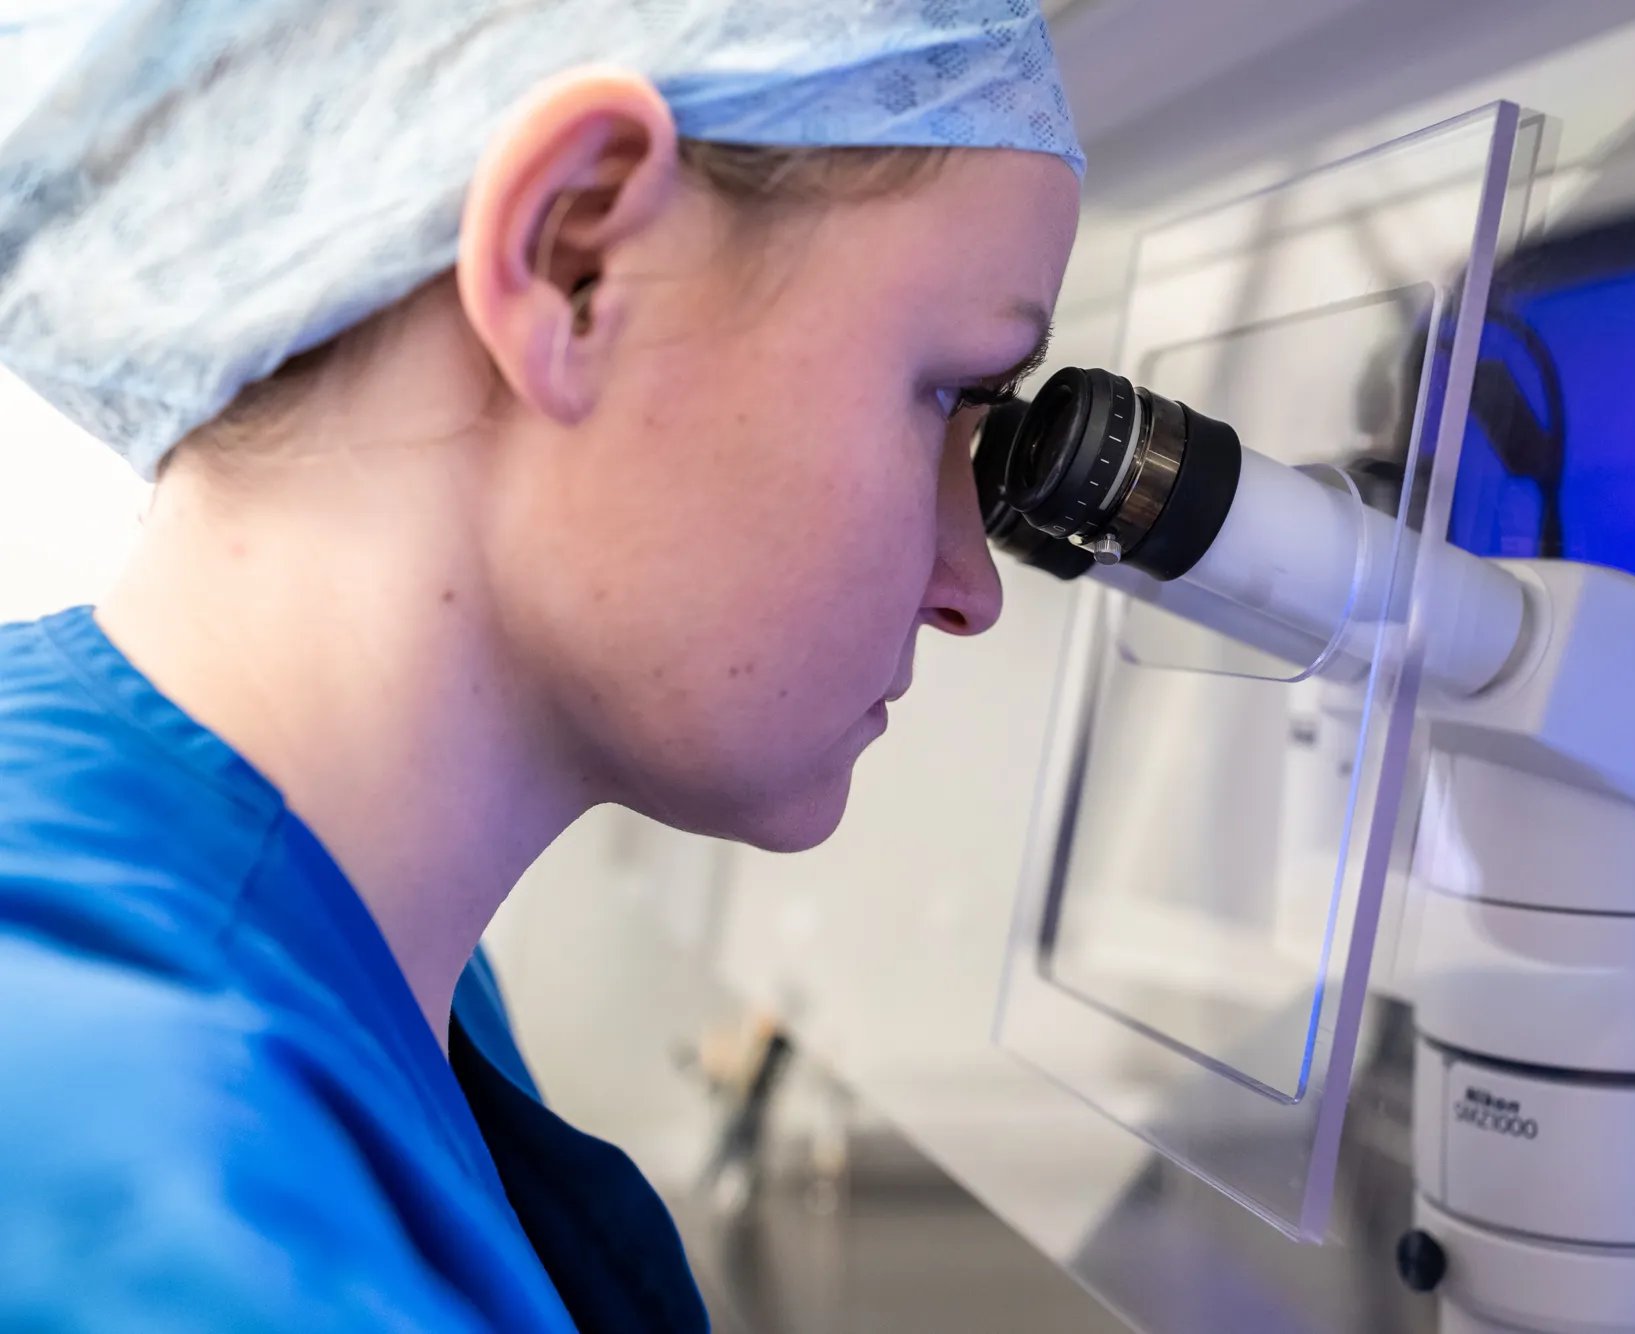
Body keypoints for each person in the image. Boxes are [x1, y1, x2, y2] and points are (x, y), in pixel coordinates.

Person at [0, 3, 1082, 1329]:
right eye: (946, 392)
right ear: (575, 259)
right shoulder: (161, 1224)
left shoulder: (347, 938)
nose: (967, 587)